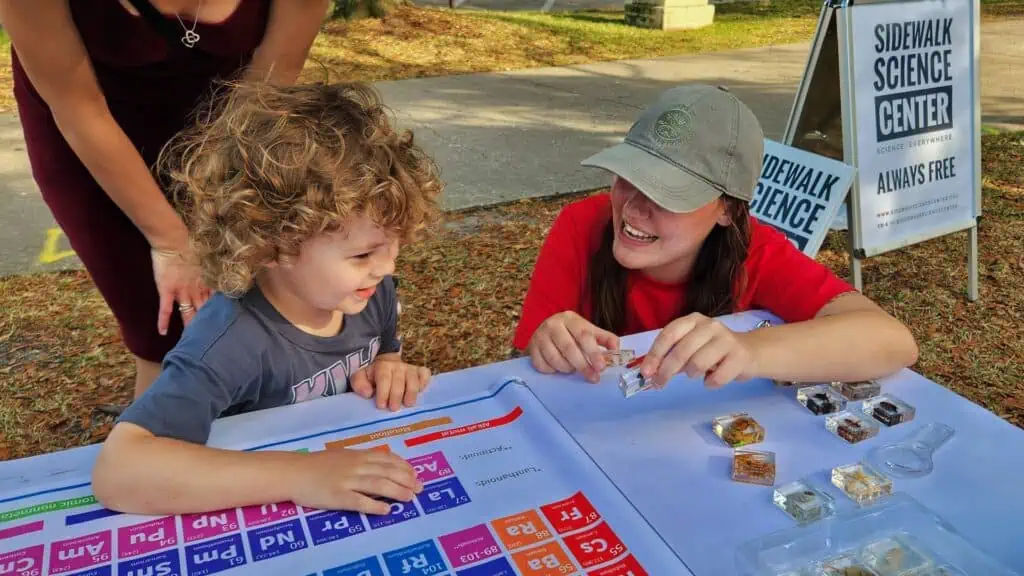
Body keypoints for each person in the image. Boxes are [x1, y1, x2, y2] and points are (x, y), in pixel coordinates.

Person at [91, 80, 443, 516]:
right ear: (275, 245)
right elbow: (119, 471)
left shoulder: (368, 292)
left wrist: (389, 367)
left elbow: (384, 349)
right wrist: (302, 476)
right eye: (365, 253)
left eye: (395, 245)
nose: (388, 267)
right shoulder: (229, 341)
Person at [1, 0, 330, 398]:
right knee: (169, 337)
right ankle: (155, 445)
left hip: (232, 125)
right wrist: (171, 241)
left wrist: (212, 204)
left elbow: (271, 81)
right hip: (88, 137)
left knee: (252, 305)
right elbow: (79, 108)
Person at [512, 84, 918, 389]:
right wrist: (549, 341)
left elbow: (892, 340)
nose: (633, 208)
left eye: (668, 194)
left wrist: (751, 351)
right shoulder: (581, 224)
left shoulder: (755, 252)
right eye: (629, 176)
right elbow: (535, 355)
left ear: (727, 209)